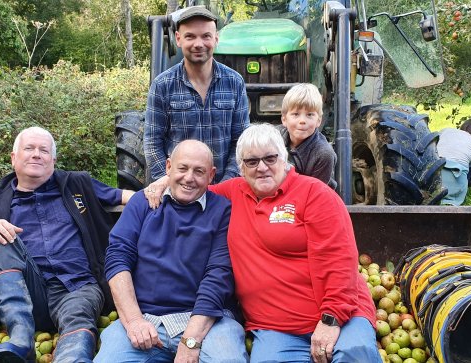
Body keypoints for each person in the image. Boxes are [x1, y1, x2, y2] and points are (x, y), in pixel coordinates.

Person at [209, 124, 378, 363]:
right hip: (274, 327)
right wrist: (158, 186)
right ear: (241, 168)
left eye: (270, 158)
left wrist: (332, 319)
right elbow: (191, 191)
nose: (262, 167)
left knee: (354, 354)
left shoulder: (315, 194)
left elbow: (339, 260)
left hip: (341, 314)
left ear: (284, 157)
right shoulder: (232, 192)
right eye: (252, 161)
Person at [0, 127, 134, 363]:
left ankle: (72, 357)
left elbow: (123, 197)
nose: (37, 154)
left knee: (77, 318)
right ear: (14, 158)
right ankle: (21, 338)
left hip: (77, 286)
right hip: (27, 293)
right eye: (29, 148)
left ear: (53, 160)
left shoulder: (77, 184)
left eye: (44, 150)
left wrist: (157, 190)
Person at [95, 140, 247, 363]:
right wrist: (135, 320)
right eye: (182, 168)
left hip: (207, 321)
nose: (189, 178)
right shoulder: (142, 203)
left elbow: (219, 276)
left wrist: (191, 340)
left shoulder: (222, 211)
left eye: (199, 171)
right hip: (145, 318)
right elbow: (118, 259)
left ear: (211, 175)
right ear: (168, 167)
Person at [143, 6, 250, 207]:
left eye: (206, 36)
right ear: (178, 38)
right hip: (178, 192)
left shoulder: (234, 82)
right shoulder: (162, 85)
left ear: (216, 39)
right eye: (190, 36)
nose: (198, 44)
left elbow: (241, 141)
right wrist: (168, 180)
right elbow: (152, 141)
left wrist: (226, 186)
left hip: (223, 193)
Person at [278, 83, 338, 189]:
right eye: (296, 114)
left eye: (309, 115)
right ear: (284, 119)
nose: (302, 121)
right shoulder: (274, 139)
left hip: (312, 197)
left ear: (318, 121)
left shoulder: (323, 154)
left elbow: (315, 193)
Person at [437, 118, 471, 206]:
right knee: (470, 165)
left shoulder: (446, 131)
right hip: (456, 181)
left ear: (464, 126)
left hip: (433, 172)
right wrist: (467, 183)